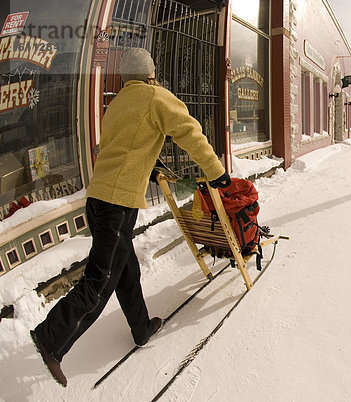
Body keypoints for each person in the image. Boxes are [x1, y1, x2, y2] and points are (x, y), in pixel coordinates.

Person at [30, 48, 231, 387]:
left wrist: (148, 168)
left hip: (98, 199)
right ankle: (50, 337)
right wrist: (216, 172)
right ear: (150, 74)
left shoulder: (117, 105)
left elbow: (123, 147)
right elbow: (188, 132)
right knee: (100, 278)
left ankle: (140, 328)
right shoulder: (155, 97)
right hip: (116, 203)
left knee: (124, 269)